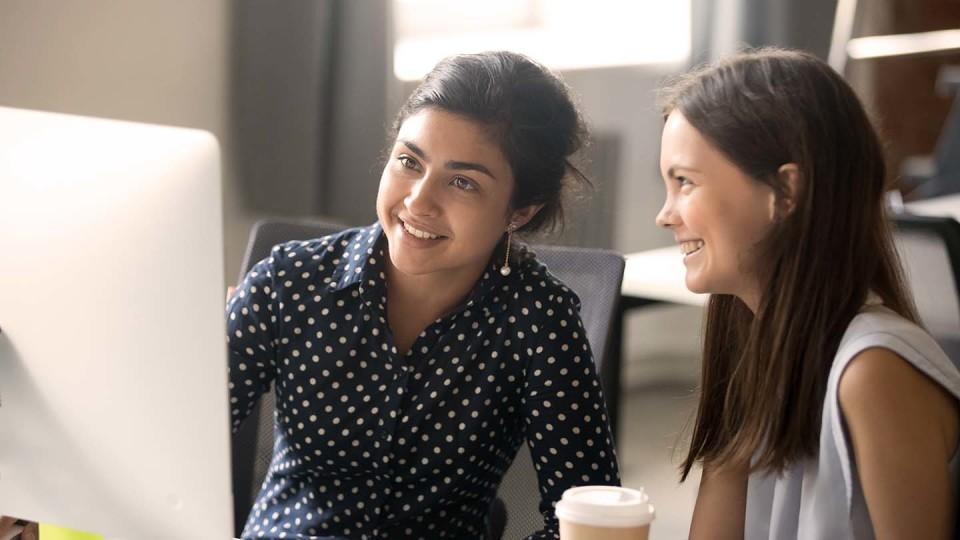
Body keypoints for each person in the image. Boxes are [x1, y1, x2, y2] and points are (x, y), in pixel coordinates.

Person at [227, 51, 619, 539]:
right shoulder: (290, 281)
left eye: (462, 182)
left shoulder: (540, 319)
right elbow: (171, 438)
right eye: (409, 162)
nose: (417, 201)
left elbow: (591, 519)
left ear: (518, 212)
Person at [655, 48, 960, 539]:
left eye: (685, 182)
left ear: (786, 192)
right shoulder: (755, 348)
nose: (665, 214)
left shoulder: (872, 372)